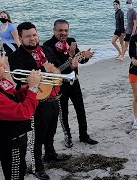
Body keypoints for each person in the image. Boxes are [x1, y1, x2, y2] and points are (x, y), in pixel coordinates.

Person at [9, 22, 69, 180]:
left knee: (51, 130)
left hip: (53, 97)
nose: (32, 38)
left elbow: (56, 68)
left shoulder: (46, 49)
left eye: (34, 35)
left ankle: (50, 154)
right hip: (35, 101)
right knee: (37, 137)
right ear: (20, 38)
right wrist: (44, 70)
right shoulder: (16, 56)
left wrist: (72, 62)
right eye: (27, 36)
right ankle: (37, 166)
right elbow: (20, 77)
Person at [0, 50, 41, 180]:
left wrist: (28, 87)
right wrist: (33, 88)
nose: (5, 67)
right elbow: (24, 112)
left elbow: (14, 97)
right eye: (1, 65)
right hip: (9, 143)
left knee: (20, 170)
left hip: (15, 137)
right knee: (15, 176)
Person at [43, 19, 98, 148]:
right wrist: (72, 58)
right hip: (59, 84)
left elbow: (80, 61)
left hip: (73, 81)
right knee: (64, 113)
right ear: (54, 30)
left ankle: (84, 135)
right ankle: (67, 137)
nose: (63, 33)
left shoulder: (71, 41)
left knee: (80, 109)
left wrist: (85, 57)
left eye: (66, 30)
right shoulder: (47, 46)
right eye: (60, 30)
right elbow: (56, 70)